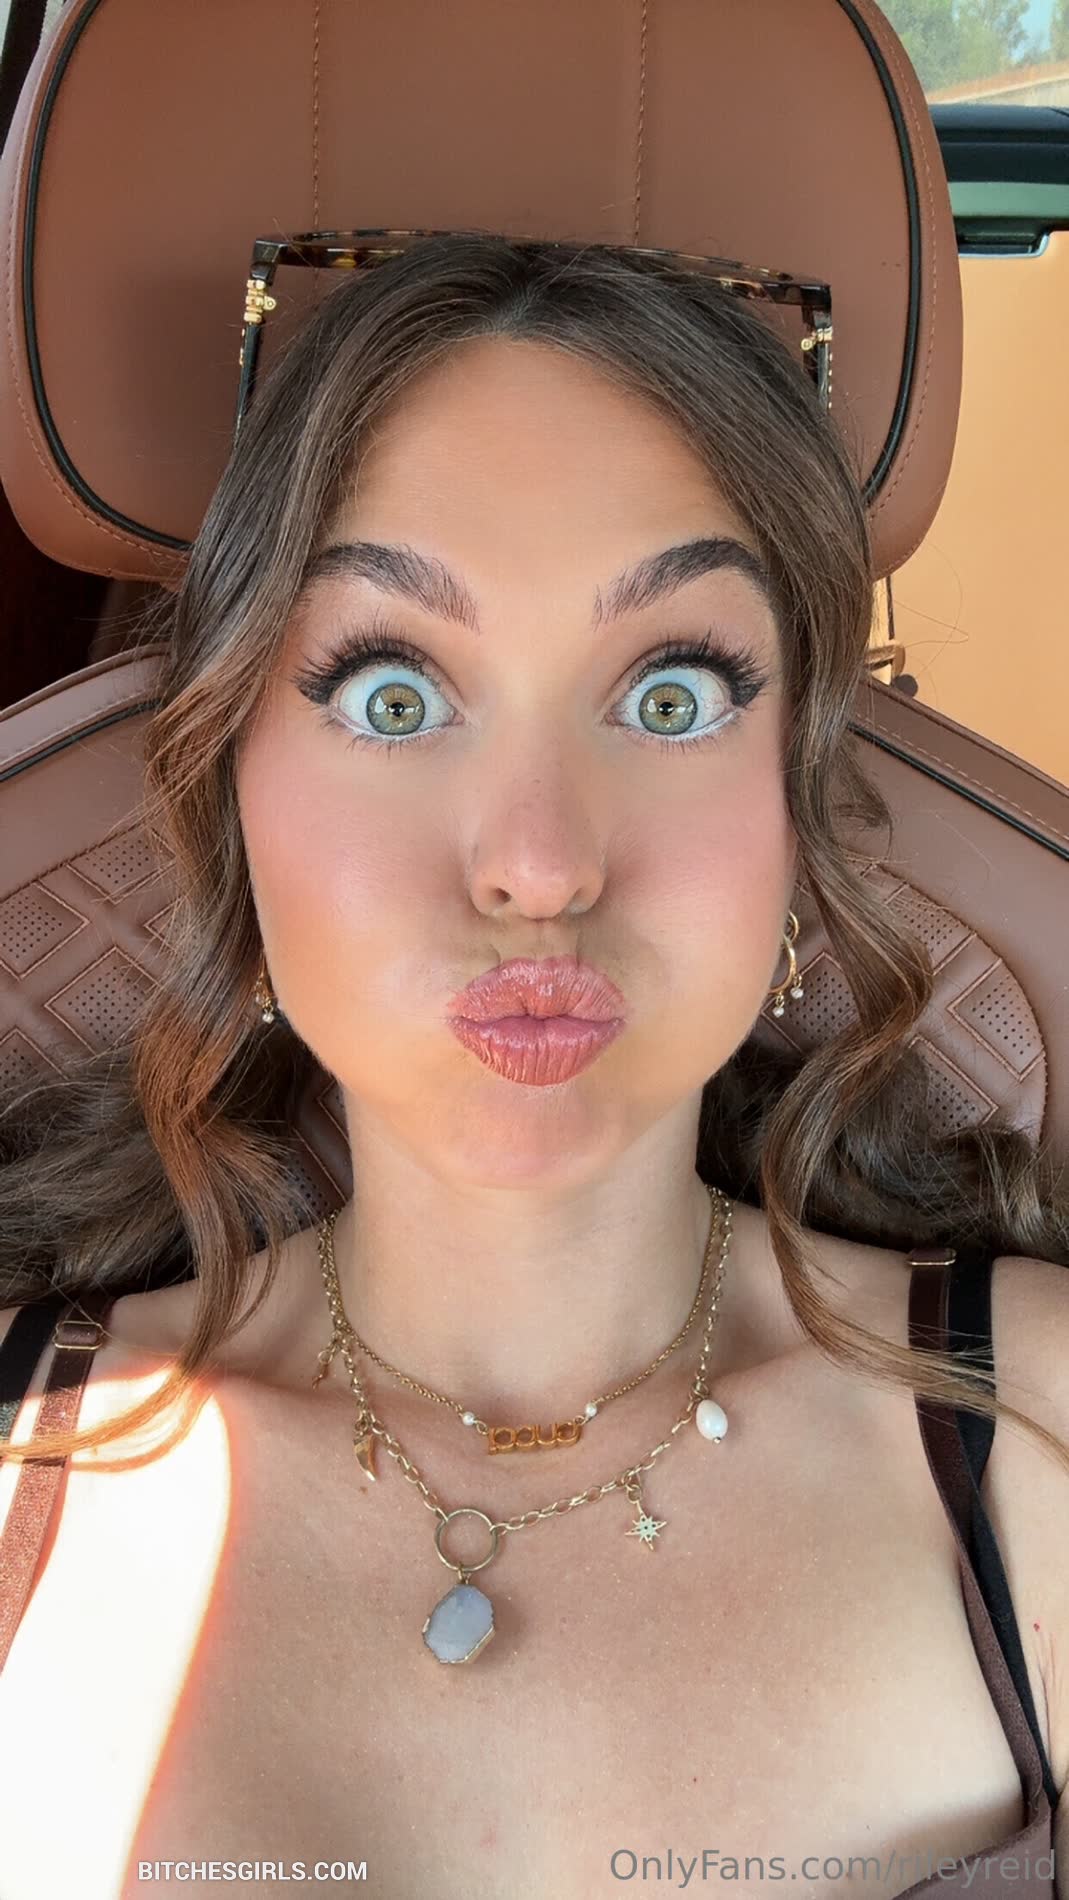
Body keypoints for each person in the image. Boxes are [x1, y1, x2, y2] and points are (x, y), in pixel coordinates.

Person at [0, 233, 1066, 1898]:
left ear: (795, 796)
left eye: (671, 695)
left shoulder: (1042, 1423)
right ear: (229, 796)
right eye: (393, 695)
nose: (538, 867)